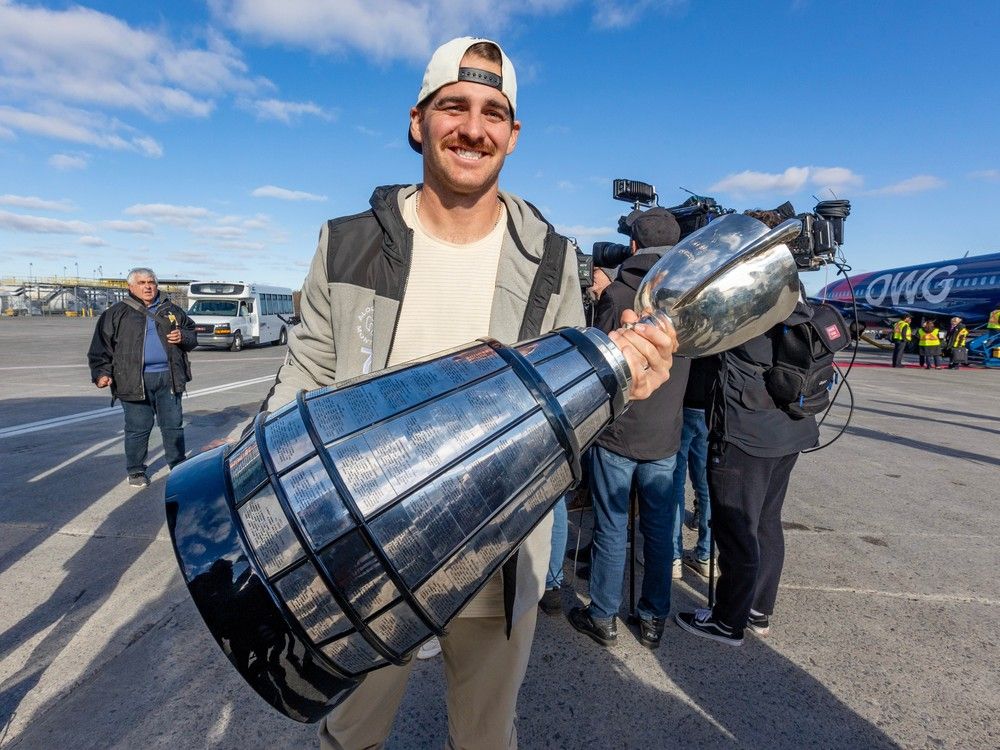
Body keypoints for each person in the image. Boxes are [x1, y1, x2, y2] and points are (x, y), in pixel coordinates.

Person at [250, 37, 675, 750]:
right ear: (418, 120)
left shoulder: (552, 259)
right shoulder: (346, 243)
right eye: (454, 106)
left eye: (492, 111)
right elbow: (305, 373)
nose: (472, 128)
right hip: (361, 553)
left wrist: (627, 386)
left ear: (512, 133)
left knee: (485, 737)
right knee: (348, 735)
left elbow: (571, 411)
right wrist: (265, 482)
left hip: (501, 558)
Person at [568, 207, 689, 651]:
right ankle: (653, 616)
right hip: (665, 434)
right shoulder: (691, 296)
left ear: (634, 246)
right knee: (658, 529)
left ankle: (602, 615)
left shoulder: (619, 294)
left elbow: (597, 361)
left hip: (619, 430)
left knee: (612, 526)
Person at [674, 294, 820, 647]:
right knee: (767, 521)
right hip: (789, 429)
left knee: (737, 528)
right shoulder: (793, 302)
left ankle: (728, 620)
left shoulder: (743, 307)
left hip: (747, 434)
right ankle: (758, 609)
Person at [540, 265, 616, 616]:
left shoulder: (616, 302)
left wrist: (603, 302)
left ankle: (549, 581)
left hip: (551, 407)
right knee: (555, 501)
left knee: (552, 501)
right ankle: (552, 582)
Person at [87, 268, 196, 487]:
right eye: (142, 282)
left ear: (157, 285)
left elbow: (193, 336)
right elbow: (100, 347)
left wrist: (182, 336)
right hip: (133, 380)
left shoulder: (172, 310)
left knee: (173, 426)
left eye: (151, 282)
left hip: (169, 377)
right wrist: (101, 373)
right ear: (131, 287)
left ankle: (177, 465)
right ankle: (136, 470)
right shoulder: (116, 313)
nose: (147, 286)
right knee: (138, 428)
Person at [675, 357, 713, 578]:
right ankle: (706, 554)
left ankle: (672, 556)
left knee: (674, 482)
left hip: (682, 399)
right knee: (707, 482)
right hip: (709, 402)